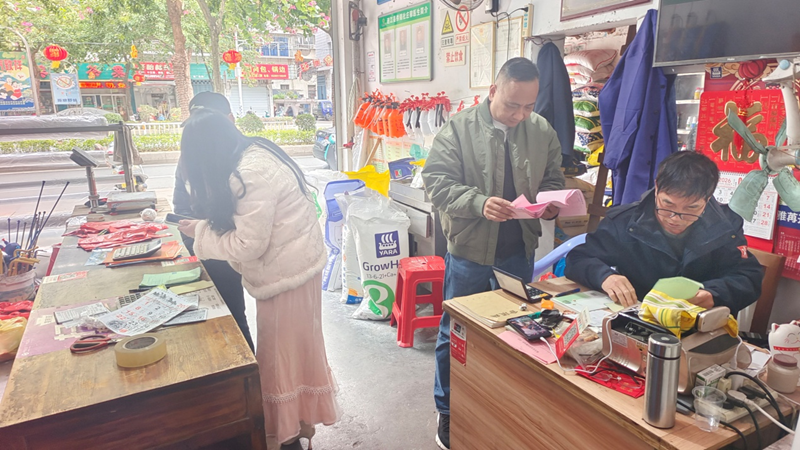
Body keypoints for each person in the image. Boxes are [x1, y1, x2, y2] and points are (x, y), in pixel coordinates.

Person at [422, 57, 565, 450]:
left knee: (515, 331)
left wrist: (551, 203)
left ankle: (498, 403)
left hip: (518, 250)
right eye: (512, 105)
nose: (520, 115)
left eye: (529, 106)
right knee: (455, 331)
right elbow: (436, 181)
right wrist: (478, 202)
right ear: (492, 92)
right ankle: (448, 409)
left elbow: (553, 178)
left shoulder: (541, 130)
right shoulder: (460, 128)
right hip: (470, 250)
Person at [177, 109, 340, 450]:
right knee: (298, 355)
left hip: (286, 277)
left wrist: (201, 233)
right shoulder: (257, 151)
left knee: (280, 362)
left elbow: (248, 244)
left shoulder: (248, 175)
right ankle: (298, 426)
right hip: (299, 267)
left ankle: (285, 436)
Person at [565, 151, 762, 315]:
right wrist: (605, 276)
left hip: (698, 324)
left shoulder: (725, 226)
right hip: (638, 317)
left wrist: (714, 294)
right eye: (667, 205)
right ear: (657, 187)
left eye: (691, 208)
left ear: (708, 198)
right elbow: (578, 258)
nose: (675, 218)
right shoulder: (625, 221)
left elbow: (748, 277)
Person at [173, 92, 254, 352]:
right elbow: (181, 207)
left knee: (235, 317)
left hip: (238, 246)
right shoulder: (189, 158)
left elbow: (251, 228)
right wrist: (199, 243)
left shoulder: (247, 160)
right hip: (207, 250)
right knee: (215, 318)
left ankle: (248, 370)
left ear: (229, 120)